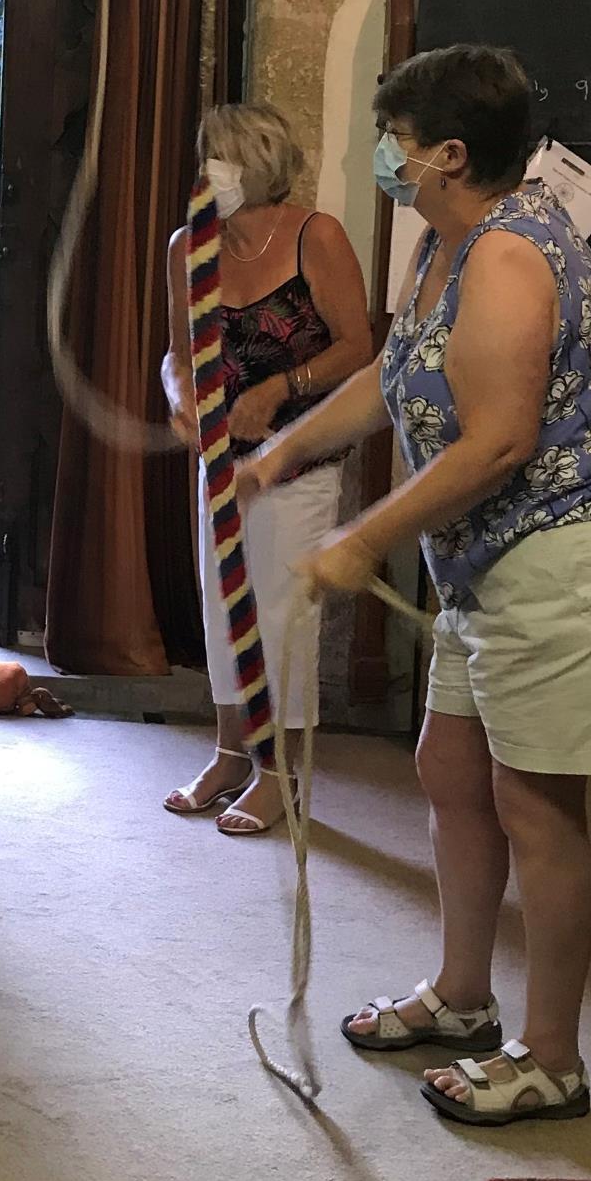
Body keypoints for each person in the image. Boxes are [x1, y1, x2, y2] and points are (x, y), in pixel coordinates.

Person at [235, 45, 591, 1126]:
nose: (385, 155)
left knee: (537, 806)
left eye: (395, 137)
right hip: (489, 568)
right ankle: (464, 999)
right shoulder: (444, 243)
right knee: (450, 770)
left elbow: (497, 443)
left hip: (567, 558)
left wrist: (359, 539)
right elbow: (394, 379)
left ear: (450, 154)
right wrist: (288, 448)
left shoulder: (515, 256)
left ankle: (553, 1058)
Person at [160, 103, 373, 833]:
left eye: (216, 158)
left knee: (281, 617)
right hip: (221, 465)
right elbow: (179, 357)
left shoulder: (318, 235)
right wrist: (181, 398)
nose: (204, 173)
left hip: (300, 460)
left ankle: (279, 775)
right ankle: (228, 755)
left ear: (254, 163)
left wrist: (281, 389)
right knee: (222, 610)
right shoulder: (188, 245)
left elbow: (358, 346)